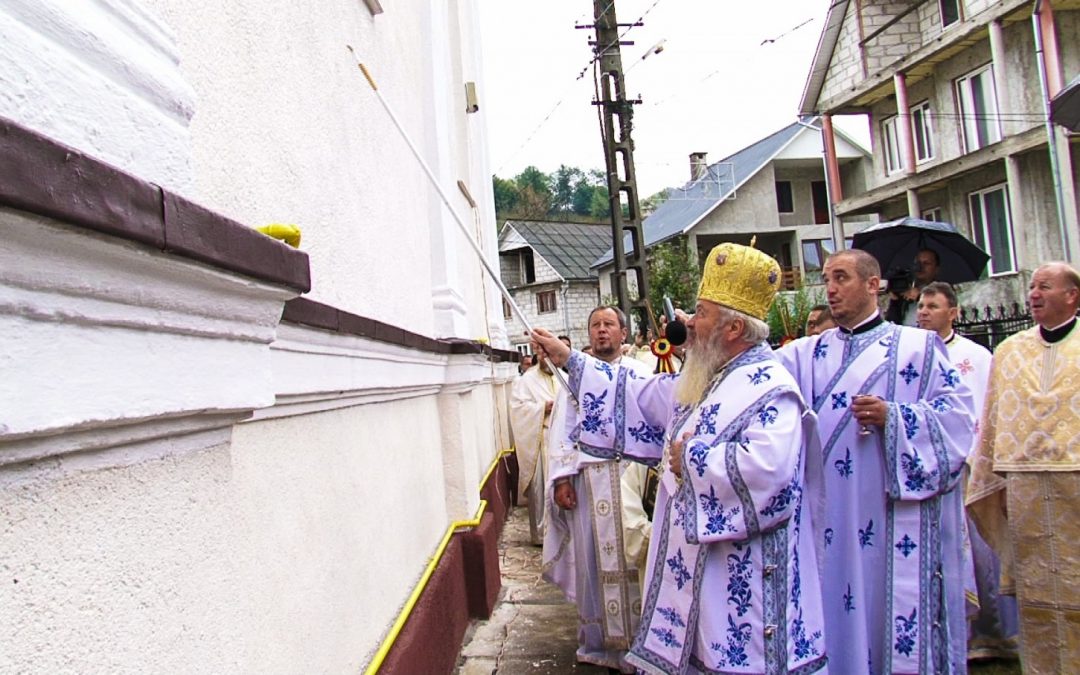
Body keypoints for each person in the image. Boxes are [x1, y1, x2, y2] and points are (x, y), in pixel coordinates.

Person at [535, 243, 828, 674]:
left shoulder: (769, 388)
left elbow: (770, 473)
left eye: (702, 312)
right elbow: (639, 397)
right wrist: (571, 362)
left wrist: (689, 458)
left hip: (744, 579)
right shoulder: (709, 376)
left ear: (732, 328)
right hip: (699, 573)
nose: (688, 322)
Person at [776, 248, 976, 673]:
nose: (830, 289)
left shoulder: (918, 348)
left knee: (883, 607)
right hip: (825, 514)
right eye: (827, 279)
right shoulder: (804, 354)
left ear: (873, 284)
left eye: (842, 278)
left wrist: (896, 417)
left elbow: (958, 421)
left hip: (887, 514)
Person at [967, 262, 1080, 673]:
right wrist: (990, 480)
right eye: (1031, 286)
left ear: (1072, 295)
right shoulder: (1010, 351)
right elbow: (994, 420)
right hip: (1026, 490)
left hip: (1076, 487)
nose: (1033, 293)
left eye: (1045, 287)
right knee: (1039, 598)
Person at [540, 306, 654, 672]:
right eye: (595, 326)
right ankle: (600, 643)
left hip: (631, 479)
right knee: (594, 560)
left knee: (635, 555)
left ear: (623, 332)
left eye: (609, 325)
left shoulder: (642, 372)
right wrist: (560, 479)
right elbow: (563, 429)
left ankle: (643, 642)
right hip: (591, 482)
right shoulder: (574, 377)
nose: (602, 331)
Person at [917, 282, 1018, 661]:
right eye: (922, 306)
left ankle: (996, 634)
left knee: (982, 555)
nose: (924, 312)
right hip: (933, 468)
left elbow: (990, 409)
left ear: (953, 312)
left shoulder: (976, 356)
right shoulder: (915, 355)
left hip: (971, 467)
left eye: (933, 305)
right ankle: (959, 634)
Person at [509, 341, 559, 545]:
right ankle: (541, 535)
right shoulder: (526, 380)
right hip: (540, 440)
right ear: (538, 354)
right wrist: (541, 408)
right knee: (541, 489)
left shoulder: (563, 378)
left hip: (561, 442)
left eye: (551, 354)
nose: (548, 358)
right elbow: (517, 408)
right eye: (544, 354)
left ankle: (563, 533)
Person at [886, 247, 941, 326]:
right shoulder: (907, 286)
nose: (920, 267)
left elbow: (941, 314)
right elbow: (891, 322)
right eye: (918, 263)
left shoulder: (942, 289)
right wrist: (895, 301)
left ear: (936, 269)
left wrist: (919, 297)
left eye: (926, 263)